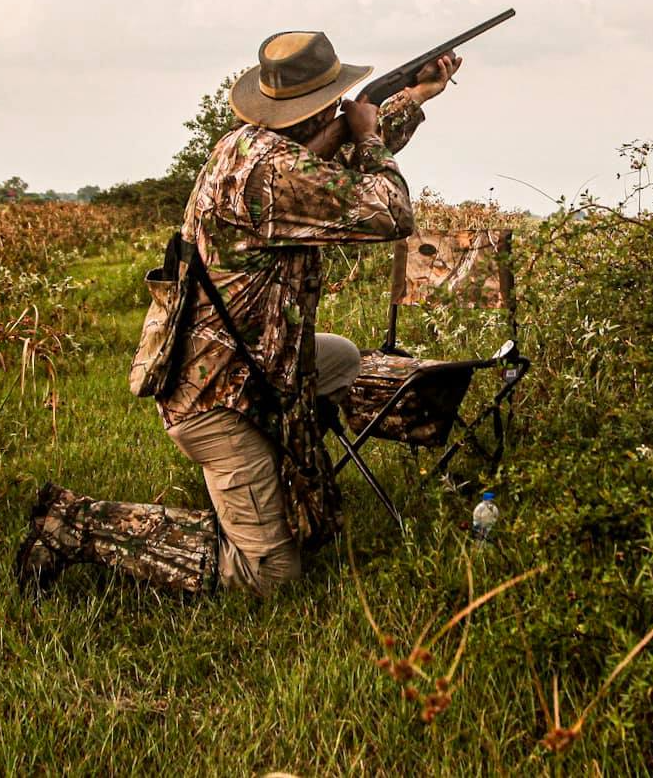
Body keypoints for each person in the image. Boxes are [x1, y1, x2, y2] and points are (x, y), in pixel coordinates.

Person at [14, 30, 459, 596]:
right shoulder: (276, 173)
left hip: (253, 363)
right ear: (320, 107)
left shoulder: (246, 145)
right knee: (269, 577)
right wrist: (372, 134)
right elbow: (388, 209)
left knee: (340, 357)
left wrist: (413, 97)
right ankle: (76, 525)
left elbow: (336, 156)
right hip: (217, 394)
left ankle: (283, 479)